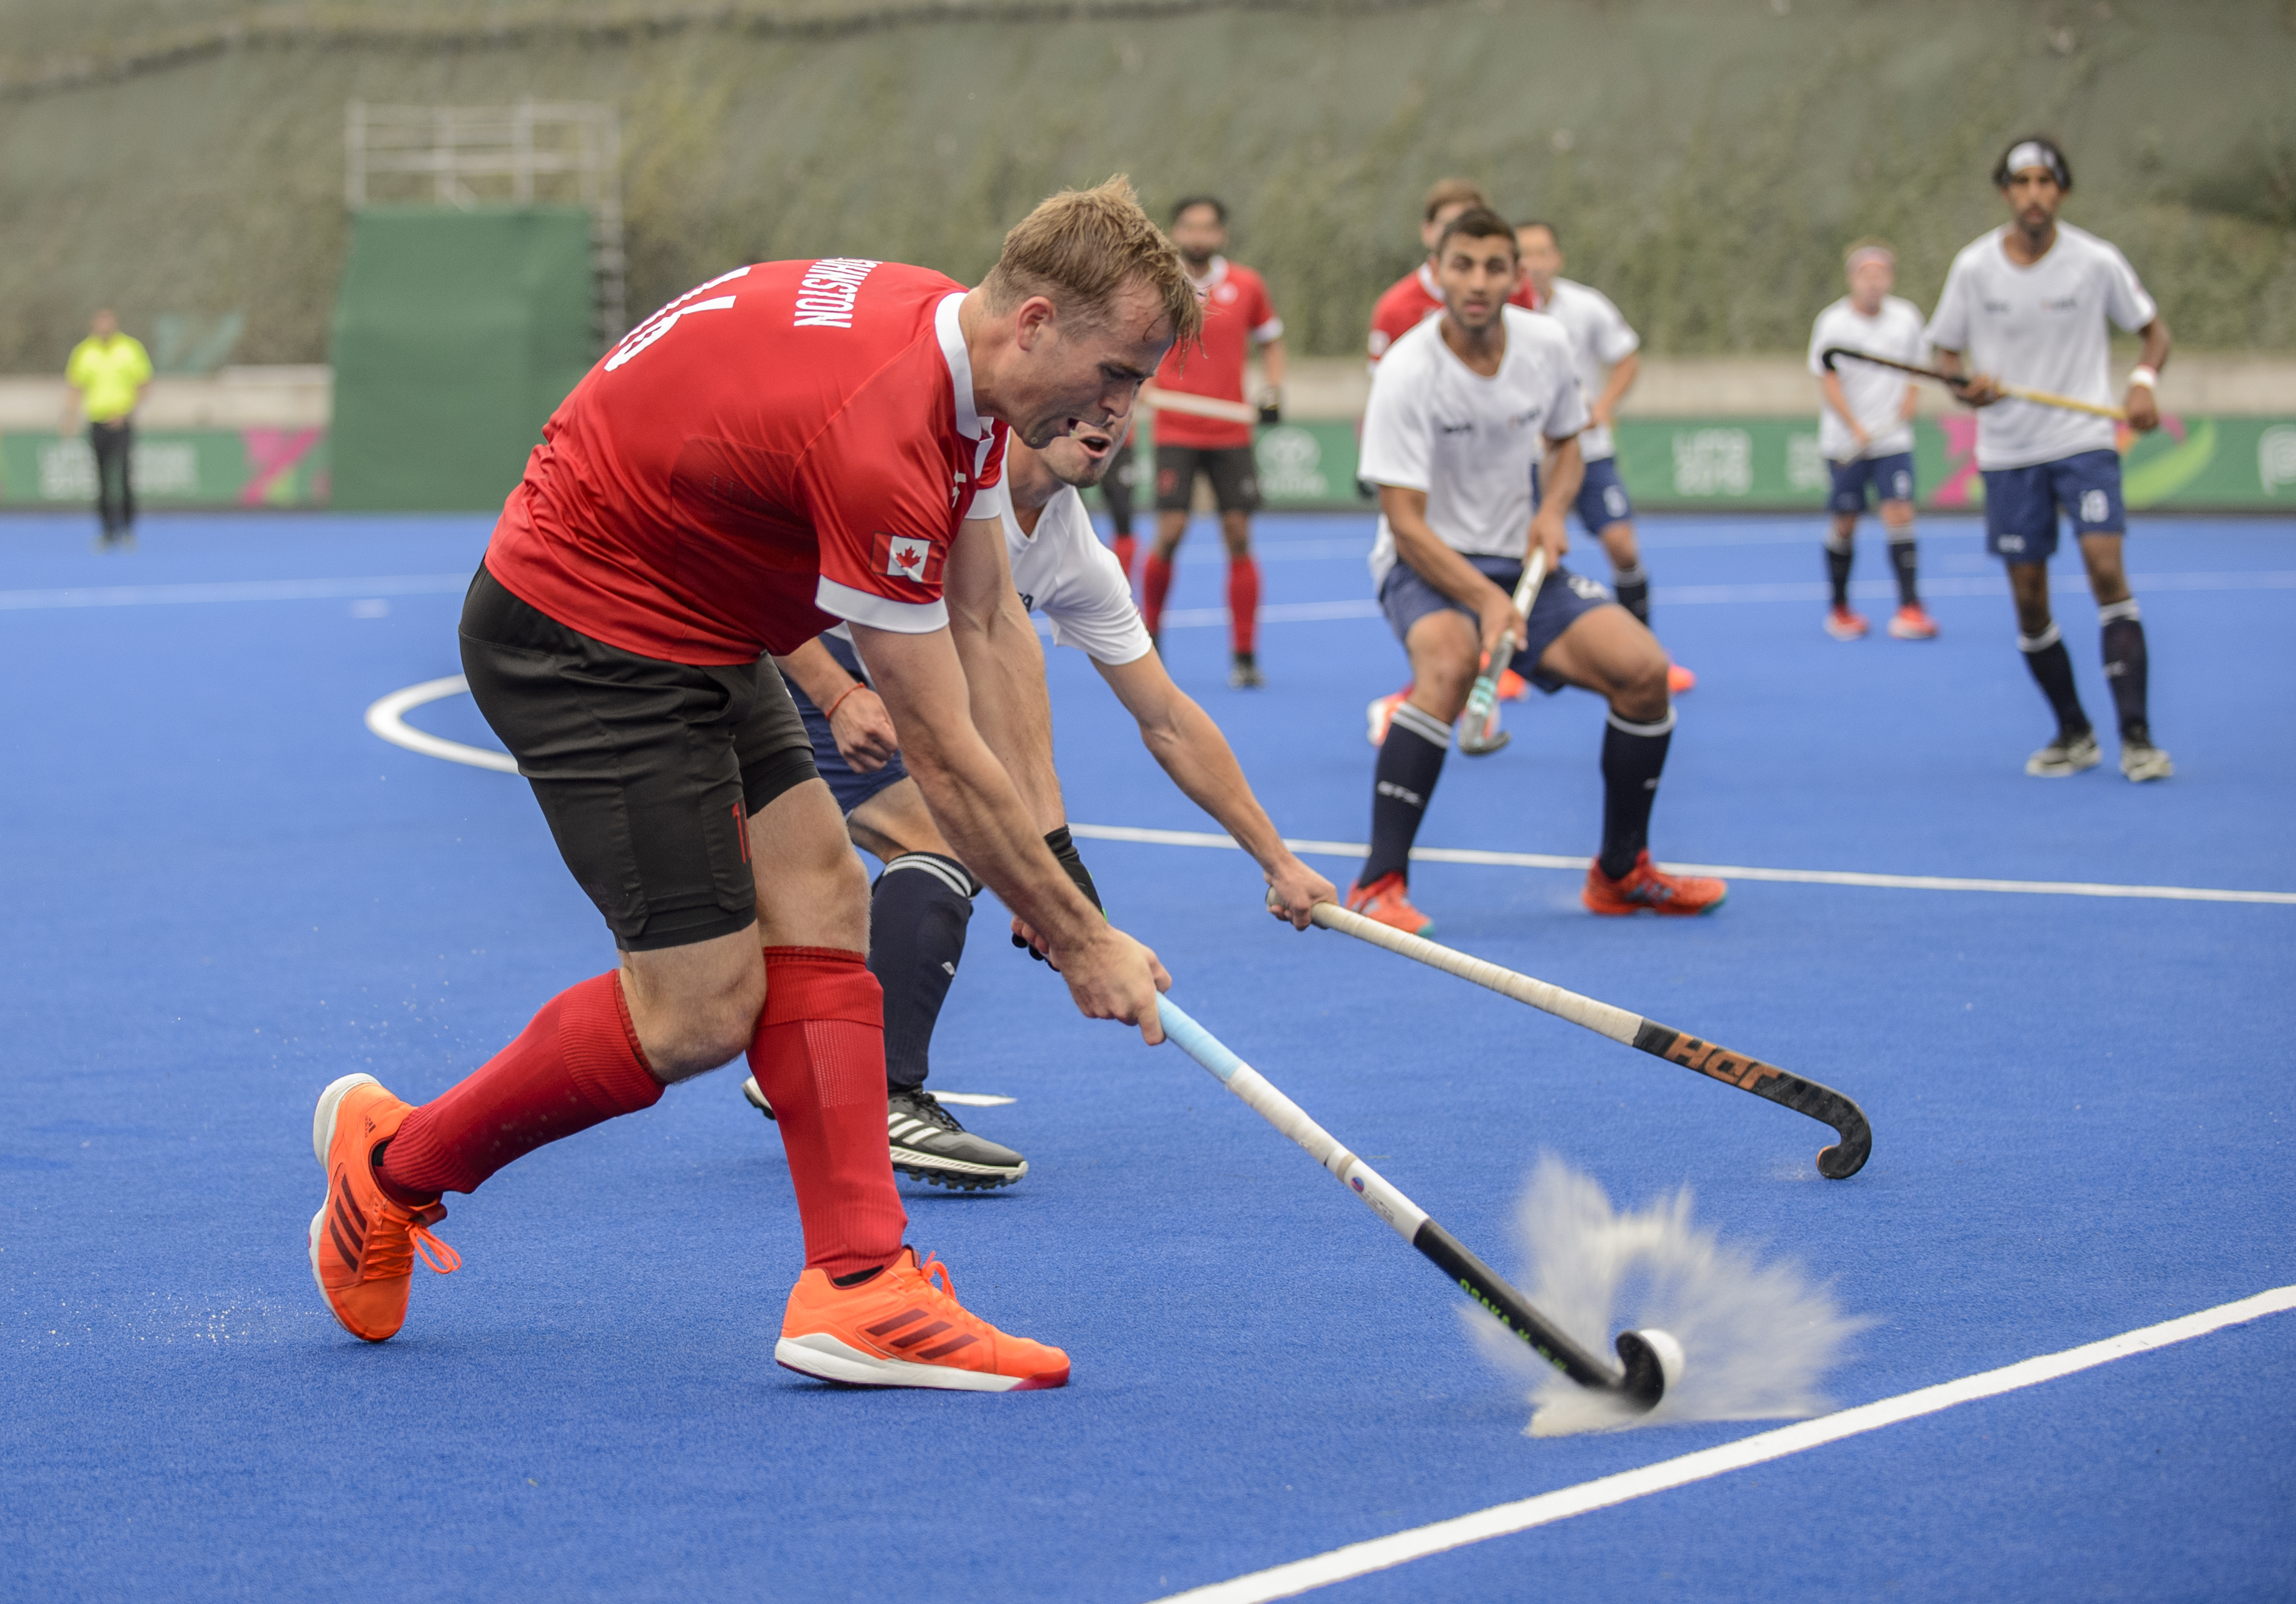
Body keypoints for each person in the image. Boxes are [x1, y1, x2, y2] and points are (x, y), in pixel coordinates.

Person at [306, 179, 1213, 1394]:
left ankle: (861, 1286)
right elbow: (939, 747)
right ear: (1036, 322)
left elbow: (988, 616)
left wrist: (1061, 886)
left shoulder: (956, 353)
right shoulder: (888, 431)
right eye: (1116, 374)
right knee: (697, 1011)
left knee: (824, 892)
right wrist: (1080, 939)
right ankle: (391, 1169)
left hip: (695, 605)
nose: (1118, 408)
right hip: (580, 626)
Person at [754, 412, 1336, 1185]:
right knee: (943, 842)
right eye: (1099, 383)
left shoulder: (1073, 553)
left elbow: (1165, 718)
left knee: (951, 843)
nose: (1110, 414)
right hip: (784, 664)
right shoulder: (942, 470)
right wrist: (832, 693)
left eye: (1128, 394)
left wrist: (1277, 860)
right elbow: (761, 571)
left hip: (888, 697)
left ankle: (829, 1063)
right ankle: (875, 1093)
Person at [1348, 208, 1726, 935]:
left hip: (1520, 561)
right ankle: (1378, 882)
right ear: (1437, 271)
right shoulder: (1406, 370)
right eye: (1462, 265)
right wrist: (1485, 599)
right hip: (1425, 560)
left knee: (1643, 673)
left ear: (1516, 276)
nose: (1477, 282)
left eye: (1494, 267)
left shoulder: (1547, 344)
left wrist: (1552, 510)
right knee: (1447, 665)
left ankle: (1620, 872)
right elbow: (1404, 523)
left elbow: (1566, 443)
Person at [1927, 136, 2173, 782]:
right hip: (2008, 451)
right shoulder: (1973, 267)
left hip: (2082, 442)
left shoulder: (2095, 261)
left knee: (2104, 570)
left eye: (2044, 181)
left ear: (2060, 192)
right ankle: (2073, 732)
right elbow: (1946, 354)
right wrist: (1964, 387)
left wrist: (2141, 383)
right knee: (2029, 600)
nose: (2033, 194)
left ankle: (2137, 737)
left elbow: (2152, 331)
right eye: (2021, 182)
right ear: (2005, 193)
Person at [1363, 180, 1537, 742]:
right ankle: (1419, 698)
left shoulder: (1516, 304)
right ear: (1430, 239)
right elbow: (1383, 395)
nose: (1477, 279)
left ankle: (1464, 685)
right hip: (1423, 477)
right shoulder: (1397, 308)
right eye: (1448, 227)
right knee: (1443, 643)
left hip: (1494, 479)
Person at [1515, 220, 1696, 695]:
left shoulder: (1587, 306)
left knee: (1622, 546)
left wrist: (1604, 405)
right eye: (1524, 253)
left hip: (1587, 453)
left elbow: (1627, 357)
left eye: (1542, 252)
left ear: (1557, 258)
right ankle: (1508, 662)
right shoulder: (1503, 314)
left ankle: (1647, 650)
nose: (1533, 263)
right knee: (1517, 557)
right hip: (1521, 459)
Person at [1139, 196, 1287, 688]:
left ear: (1220, 235)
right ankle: (1147, 642)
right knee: (1171, 530)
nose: (1198, 236)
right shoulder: (1157, 284)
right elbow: (1132, 339)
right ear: (1175, 232)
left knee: (1238, 535)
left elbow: (1270, 342)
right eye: (1189, 227)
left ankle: (1245, 656)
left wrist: (1272, 391)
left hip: (1230, 432)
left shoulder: (1247, 285)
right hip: (1175, 429)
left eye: (1207, 228)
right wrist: (1141, 381)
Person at [1806, 240, 1937, 642]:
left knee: (1900, 513)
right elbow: (1828, 380)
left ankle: (1910, 608)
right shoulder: (1833, 323)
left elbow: (1917, 368)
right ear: (1852, 279)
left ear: (1890, 279)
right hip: (1846, 443)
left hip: (1892, 440)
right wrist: (1855, 426)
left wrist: (1911, 398)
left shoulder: (1906, 318)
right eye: (1866, 274)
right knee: (1845, 522)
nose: (1873, 282)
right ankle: (1840, 609)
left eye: (1881, 274)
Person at [1366, 179, 1537, 367]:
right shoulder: (1395, 308)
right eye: (1449, 225)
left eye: (1473, 225)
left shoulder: (1515, 291)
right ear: (1428, 231)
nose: (1462, 233)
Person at [61, 309, 152, 552]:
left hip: (122, 423)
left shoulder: (130, 349)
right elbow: (76, 386)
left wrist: (125, 413)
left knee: (124, 476)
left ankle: (128, 529)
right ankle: (107, 531)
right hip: (97, 422)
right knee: (101, 479)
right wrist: (70, 415)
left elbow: (144, 385)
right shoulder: (84, 351)